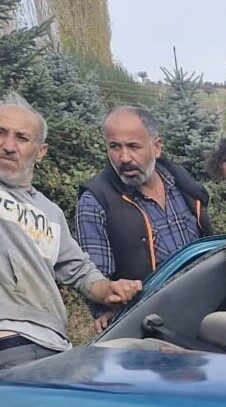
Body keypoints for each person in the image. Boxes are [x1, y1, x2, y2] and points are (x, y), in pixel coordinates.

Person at [0, 95, 141, 369]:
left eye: (21, 138)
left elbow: (79, 270)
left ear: (41, 152)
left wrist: (108, 289)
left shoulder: (50, 212)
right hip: (9, 340)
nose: (7, 146)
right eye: (0, 133)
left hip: (55, 343)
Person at [77, 106, 213, 329]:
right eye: (114, 147)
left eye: (133, 146)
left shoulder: (183, 184)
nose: (124, 157)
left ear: (156, 146)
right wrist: (105, 309)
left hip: (208, 306)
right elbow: (93, 275)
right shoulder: (96, 200)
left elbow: (211, 247)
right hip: (152, 322)